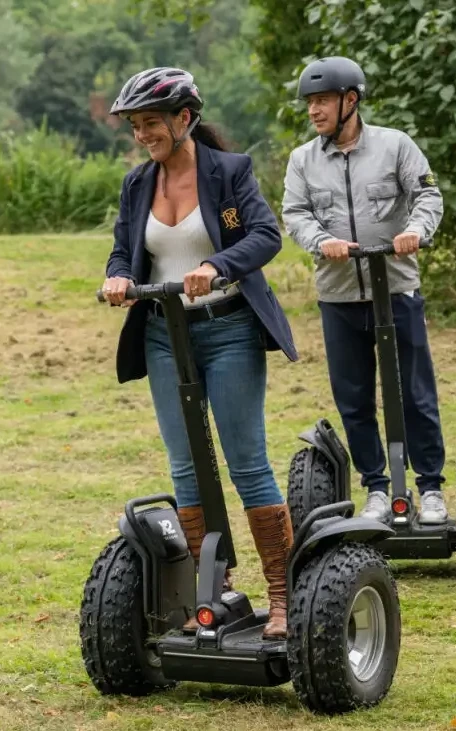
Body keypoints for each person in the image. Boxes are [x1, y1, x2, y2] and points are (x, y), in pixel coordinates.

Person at [101, 67, 298, 638]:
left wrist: (216, 266)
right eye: (136, 126)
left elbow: (263, 235)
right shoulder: (139, 185)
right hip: (165, 332)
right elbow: (123, 251)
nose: (143, 134)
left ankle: (282, 598)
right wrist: (117, 278)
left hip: (229, 328)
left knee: (246, 461)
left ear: (184, 119)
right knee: (186, 466)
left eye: (151, 123)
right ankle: (216, 590)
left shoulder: (229, 174)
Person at [281, 56, 449, 526]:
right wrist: (321, 240)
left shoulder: (396, 146)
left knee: (414, 393)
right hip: (338, 296)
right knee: (352, 397)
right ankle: (376, 486)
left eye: (321, 101)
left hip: (395, 289)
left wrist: (416, 229)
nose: (313, 111)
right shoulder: (303, 160)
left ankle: (431, 488)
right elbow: (294, 214)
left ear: (350, 101)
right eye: (309, 103)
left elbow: (428, 194)